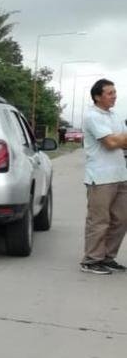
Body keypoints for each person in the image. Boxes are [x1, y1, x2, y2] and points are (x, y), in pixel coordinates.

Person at [79, 78, 127, 274]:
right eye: (109, 93)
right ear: (97, 96)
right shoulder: (92, 116)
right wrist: (117, 139)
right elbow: (110, 143)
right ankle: (91, 260)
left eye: (114, 92)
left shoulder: (115, 116)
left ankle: (108, 257)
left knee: (121, 219)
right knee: (99, 220)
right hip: (100, 178)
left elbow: (121, 142)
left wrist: (118, 139)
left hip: (120, 175)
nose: (114, 96)